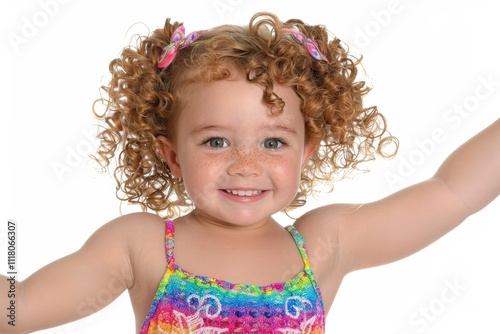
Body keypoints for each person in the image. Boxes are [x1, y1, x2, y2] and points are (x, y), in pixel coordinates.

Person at [1, 11, 498, 334]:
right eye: (216, 141)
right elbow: (18, 308)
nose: (246, 164)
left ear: (306, 152)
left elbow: (452, 191)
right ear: (173, 156)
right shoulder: (143, 244)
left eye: (274, 142)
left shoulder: (326, 243)